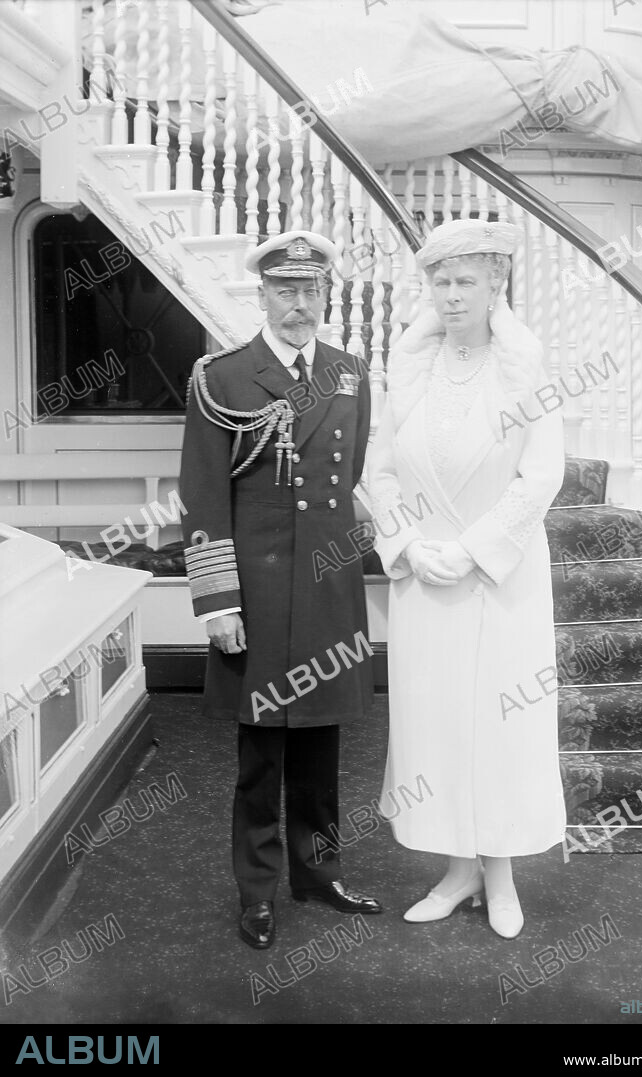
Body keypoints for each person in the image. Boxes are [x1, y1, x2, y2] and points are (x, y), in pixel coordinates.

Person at [179, 230, 381, 950]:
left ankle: (318, 874)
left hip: (327, 584)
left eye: (311, 290)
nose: (300, 304)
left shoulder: (349, 372)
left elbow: (349, 476)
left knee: (323, 744)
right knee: (261, 757)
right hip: (256, 593)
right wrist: (218, 601)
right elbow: (203, 495)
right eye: (285, 290)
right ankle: (258, 890)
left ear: (325, 295)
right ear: (261, 295)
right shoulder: (223, 377)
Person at [368, 218, 567, 938]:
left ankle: (501, 873)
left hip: (499, 580)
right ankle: (458, 870)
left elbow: (540, 476)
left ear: (495, 286)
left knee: (500, 725)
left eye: (465, 282)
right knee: (436, 725)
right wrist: (407, 543)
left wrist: (474, 548)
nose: (450, 295)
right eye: (440, 282)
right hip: (425, 581)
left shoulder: (524, 369)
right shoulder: (407, 369)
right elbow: (378, 472)